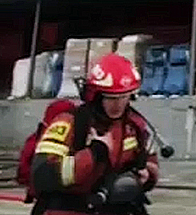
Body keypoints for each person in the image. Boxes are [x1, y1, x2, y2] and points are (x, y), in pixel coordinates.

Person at [30, 53, 159, 214]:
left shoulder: (134, 126)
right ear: (97, 95)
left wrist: (147, 175)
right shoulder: (69, 123)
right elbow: (43, 176)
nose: (117, 105)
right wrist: (94, 152)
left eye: (123, 97)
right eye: (111, 98)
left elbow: (151, 160)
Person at [18, 98, 80, 205]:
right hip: (62, 198)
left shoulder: (36, 137)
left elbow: (23, 171)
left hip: (42, 198)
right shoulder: (72, 136)